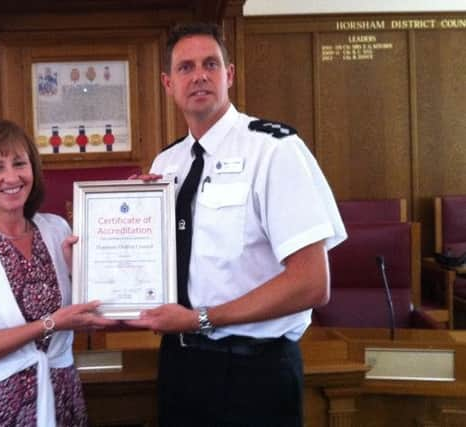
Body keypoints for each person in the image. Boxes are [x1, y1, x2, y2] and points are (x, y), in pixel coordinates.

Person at [127, 23, 347, 426]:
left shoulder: (274, 150)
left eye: (211, 64)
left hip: (256, 372)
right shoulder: (166, 166)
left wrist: (201, 319)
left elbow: (312, 282)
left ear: (229, 74)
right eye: (186, 67)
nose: (199, 76)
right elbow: (148, 270)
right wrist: (117, 220)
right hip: (182, 365)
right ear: (167, 83)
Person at [0, 119, 116, 427]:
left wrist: (139, 198)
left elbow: (92, 316)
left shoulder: (57, 229)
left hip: (62, 399)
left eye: (20, 163)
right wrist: (48, 324)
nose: (11, 177)